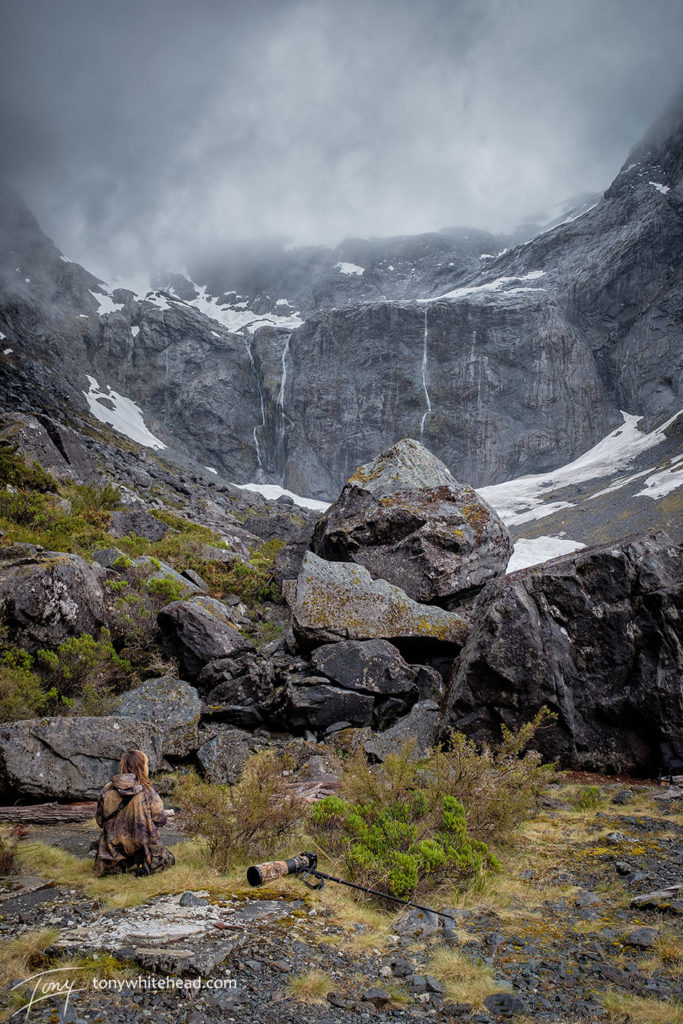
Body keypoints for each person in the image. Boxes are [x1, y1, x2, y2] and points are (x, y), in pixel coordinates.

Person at [93, 749, 175, 877]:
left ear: (123, 766)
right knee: (169, 858)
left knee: (106, 857)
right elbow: (161, 820)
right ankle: (142, 863)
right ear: (141, 767)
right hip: (144, 850)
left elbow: (99, 821)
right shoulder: (148, 791)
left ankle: (116, 866)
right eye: (146, 764)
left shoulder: (107, 790)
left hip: (112, 854)